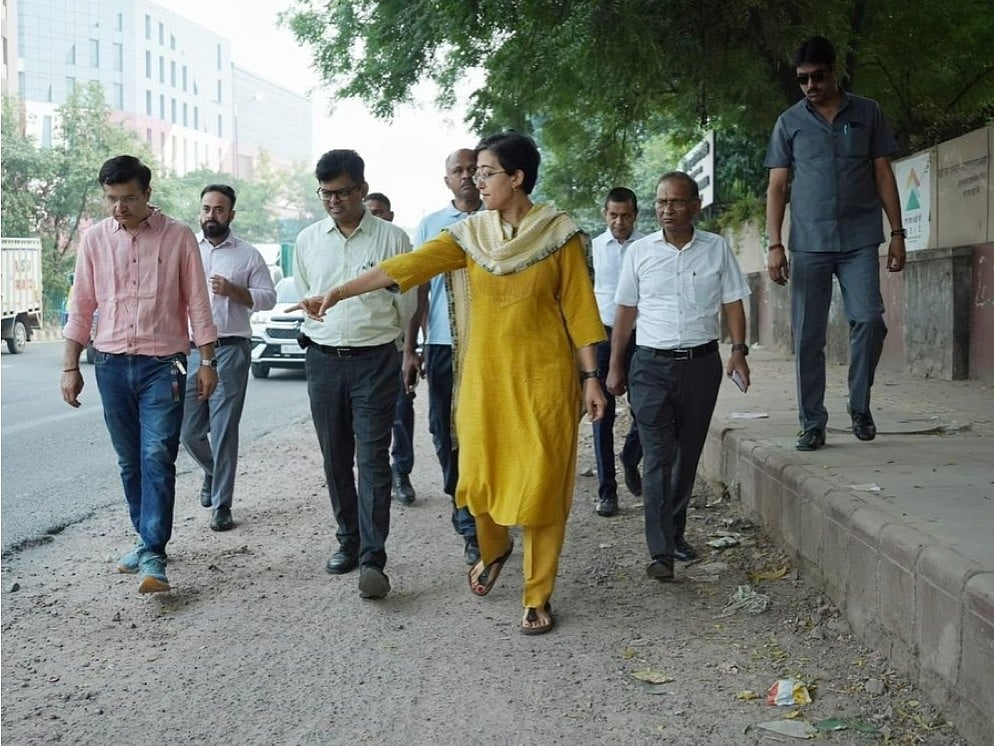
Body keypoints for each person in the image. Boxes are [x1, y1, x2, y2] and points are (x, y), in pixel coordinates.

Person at [299, 132, 607, 635]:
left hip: (545, 379)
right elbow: (404, 267)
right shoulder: (469, 236)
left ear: (517, 178)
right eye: (474, 172)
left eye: (486, 172)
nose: (475, 180)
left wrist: (591, 377)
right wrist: (338, 292)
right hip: (483, 381)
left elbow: (579, 309)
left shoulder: (560, 234)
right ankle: (494, 549)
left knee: (544, 484)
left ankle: (537, 592)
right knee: (479, 480)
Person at [61, 155, 219, 594]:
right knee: (129, 460)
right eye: (112, 199)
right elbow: (82, 307)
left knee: (156, 456)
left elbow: (198, 305)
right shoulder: (94, 240)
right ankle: (145, 536)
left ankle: (153, 551)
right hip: (110, 364)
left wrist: (208, 361)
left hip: (162, 365)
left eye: (128, 198)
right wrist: (70, 366)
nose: (119, 207)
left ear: (147, 194)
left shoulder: (178, 237)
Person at [607, 171, 751, 582]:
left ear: (695, 206)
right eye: (661, 203)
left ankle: (674, 532)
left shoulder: (716, 249)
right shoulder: (640, 253)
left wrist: (738, 352)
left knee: (686, 457)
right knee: (657, 457)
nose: (666, 210)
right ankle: (661, 551)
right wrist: (616, 365)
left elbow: (733, 302)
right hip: (650, 366)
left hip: (701, 366)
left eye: (675, 202)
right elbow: (625, 313)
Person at [765, 36, 906, 451]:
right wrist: (774, 244)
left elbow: (883, 173)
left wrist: (897, 234)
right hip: (808, 243)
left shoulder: (867, 113)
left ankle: (859, 405)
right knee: (808, 335)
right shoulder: (788, 122)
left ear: (834, 70)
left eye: (817, 76)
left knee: (870, 320)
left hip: (860, 238)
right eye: (802, 79)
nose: (810, 85)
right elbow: (777, 186)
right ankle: (812, 422)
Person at [295, 149, 414, 601]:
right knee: (334, 456)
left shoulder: (393, 239)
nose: (334, 201)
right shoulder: (308, 240)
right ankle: (347, 540)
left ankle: (372, 558)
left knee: (372, 458)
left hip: (375, 361)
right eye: (326, 194)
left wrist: (406, 351)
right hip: (323, 360)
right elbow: (308, 290)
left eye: (343, 192)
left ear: (363, 189)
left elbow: (406, 301)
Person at [180, 184, 276, 532]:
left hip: (231, 349)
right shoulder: (186, 248)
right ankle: (211, 470)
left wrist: (235, 291)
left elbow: (269, 298)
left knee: (223, 431)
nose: (211, 215)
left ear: (231, 215)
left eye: (219, 210)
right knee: (187, 431)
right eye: (206, 209)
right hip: (190, 352)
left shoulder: (247, 255)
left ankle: (222, 504)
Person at [403, 148, 483, 565]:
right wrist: (410, 348)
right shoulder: (432, 226)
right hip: (442, 346)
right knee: (444, 430)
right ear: (446, 179)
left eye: (475, 169)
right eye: (459, 170)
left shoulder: (501, 221)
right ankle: (464, 512)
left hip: (492, 345)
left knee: (486, 429)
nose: (468, 176)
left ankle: (489, 512)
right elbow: (419, 288)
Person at [590, 187, 644, 518]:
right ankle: (607, 492)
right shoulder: (592, 248)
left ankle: (630, 456)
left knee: (646, 408)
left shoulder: (650, 246)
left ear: (635, 215)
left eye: (625, 215)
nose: (619, 221)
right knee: (601, 415)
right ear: (605, 214)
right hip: (602, 335)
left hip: (641, 336)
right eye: (613, 215)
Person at [363, 191, 416, 505]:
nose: (376, 216)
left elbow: (411, 304)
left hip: (395, 348)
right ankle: (376, 477)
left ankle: (402, 473)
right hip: (366, 350)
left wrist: (409, 351)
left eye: (380, 212)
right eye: (371, 212)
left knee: (399, 412)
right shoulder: (359, 255)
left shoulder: (399, 248)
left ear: (390, 215)